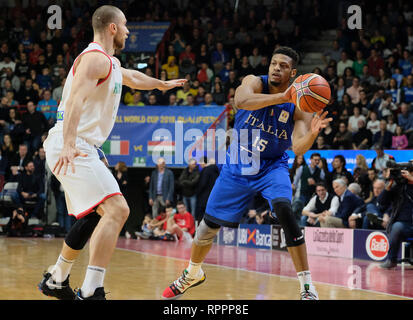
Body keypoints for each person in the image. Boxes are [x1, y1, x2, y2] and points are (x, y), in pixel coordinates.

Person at [38, 5, 187, 301]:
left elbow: (132, 77)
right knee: (118, 209)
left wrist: (161, 84)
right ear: (113, 28)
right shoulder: (95, 58)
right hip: (73, 143)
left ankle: (57, 278)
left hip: (79, 145)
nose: (130, 31)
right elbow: (76, 102)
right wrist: (69, 143)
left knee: (95, 215)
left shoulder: (110, 63)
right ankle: (93, 290)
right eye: (126, 25)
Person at [163, 46, 332, 300]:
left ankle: (307, 287)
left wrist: (312, 133)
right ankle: (192, 273)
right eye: (274, 63)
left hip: (272, 166)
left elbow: (298, 147)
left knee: (286, 212)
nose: (276, 68)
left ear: (293, 73)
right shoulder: (253, 82)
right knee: (206, 230)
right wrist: (283, 97)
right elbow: (241, 101)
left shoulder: (299, 106)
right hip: (238, 165)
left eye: (283, 66)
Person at [379, 168, 413, 269]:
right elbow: (381, 202)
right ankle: (391, 260)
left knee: (397, 226)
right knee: (397, 226)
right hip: (404, 225)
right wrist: (387, 187)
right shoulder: (399, 187)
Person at [195, 157, 219, 223]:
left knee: (201, 217)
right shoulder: (217, 171)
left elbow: (202, 184)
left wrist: (197, 192)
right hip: (213, 197)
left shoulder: (206, 170)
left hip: (203, 198)